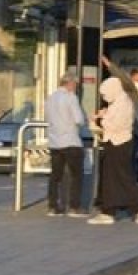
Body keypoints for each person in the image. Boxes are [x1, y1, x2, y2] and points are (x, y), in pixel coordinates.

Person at [88, 77, 138, 225]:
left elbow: (115, 124)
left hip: (119, 144)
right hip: (115, 143)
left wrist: (100, 120)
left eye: (105, 94)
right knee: (111, 178)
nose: (104, 97)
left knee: (122, 178)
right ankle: (108, 210)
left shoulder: (123, 104)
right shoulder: (118, 102)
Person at [45, 70, 89, 218]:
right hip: (71, 141)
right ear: (70, 83)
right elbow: (79, 119)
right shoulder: (71, 98)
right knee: (76, 175)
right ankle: (74, 207)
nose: (76, 87)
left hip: (55, 141)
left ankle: (53, 206)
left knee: (55, 175)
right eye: (75, 84)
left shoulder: (50, 98)